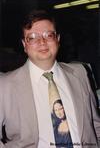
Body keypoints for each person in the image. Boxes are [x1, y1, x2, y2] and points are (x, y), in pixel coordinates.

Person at [0, 9, 100, 148]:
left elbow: (95, 125)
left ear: (58, 39)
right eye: (33, 37)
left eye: (49, 35)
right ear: (24, 44)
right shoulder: (5, 85)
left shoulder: (80, 73)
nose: (42, 41)